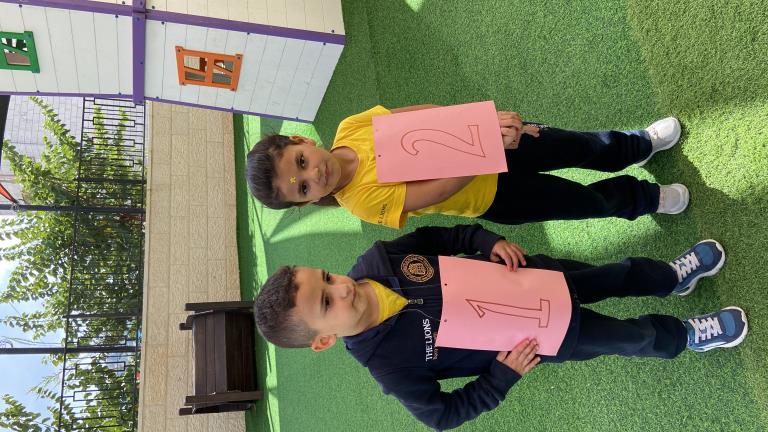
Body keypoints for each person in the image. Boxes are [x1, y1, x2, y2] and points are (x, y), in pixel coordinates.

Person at [253, 224, 748, 430]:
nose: (342, 288)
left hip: (538, 277)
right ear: (324, 340)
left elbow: (446, 235)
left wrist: (486, 241)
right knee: (630, 337)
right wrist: (500, 378)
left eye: (327, 277)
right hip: (545, 337)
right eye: (326, 301)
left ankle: (671, 278)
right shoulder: (389, 367)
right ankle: (686, 336)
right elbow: (442, 416)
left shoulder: (378, 260)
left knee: (614, 275)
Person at [246, 105, 689, 228]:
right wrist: (483, 148)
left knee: (578, 146)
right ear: (307, 201)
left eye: (301, 162)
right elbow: (438, 191)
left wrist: (483, 124)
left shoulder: (350, 127)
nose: (313, 175)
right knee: (583, 203)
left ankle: (636, 145)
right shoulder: (361, 202)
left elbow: (422, 115)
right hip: (494, 196)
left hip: (493, 144)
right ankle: (646, 198)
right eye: (302, 188)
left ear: (302, 141)